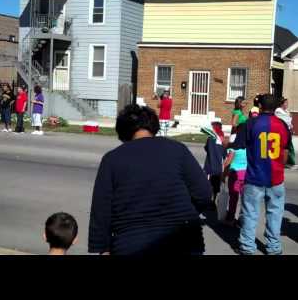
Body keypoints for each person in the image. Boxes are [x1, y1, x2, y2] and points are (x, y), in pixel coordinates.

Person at [89, 104, 213, 255]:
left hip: (131, 243)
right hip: (184, 242)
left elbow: (101, 210)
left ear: (123, 132)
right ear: (153, 126)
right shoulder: (177, 150)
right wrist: (184, 213)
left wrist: (103, 248)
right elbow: (204, 193)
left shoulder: (112, 159)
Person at [235, 93, 291, 255]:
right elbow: (285, 152)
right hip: (276, 177)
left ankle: (247, 246)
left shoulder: (251, 124)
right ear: (276, 108)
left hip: (254, 177)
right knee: (275, 214)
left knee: (250, 213)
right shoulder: (282, 125)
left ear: (260, 106)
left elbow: (239, 145)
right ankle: (273, 247)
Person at [223, 123, 248, 227]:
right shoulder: (249, 146)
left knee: (233, 197)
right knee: (245, 199)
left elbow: (228, 162)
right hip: (246, 174)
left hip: (235, 174)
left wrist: (223, 175)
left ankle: (230, 218)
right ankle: (243, 220)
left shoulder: (234, 146)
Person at [203, 121, 227, 203]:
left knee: (208, 184)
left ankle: (208, 200)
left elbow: (206, 149)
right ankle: (214, 200)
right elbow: (224, 154)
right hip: (218, 167)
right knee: (216, 185)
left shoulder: (210, 138)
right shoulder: (222, 139)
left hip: (209, 166)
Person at [275, 97, 298, 170]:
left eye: (287, 103)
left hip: (288, 130)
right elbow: (284, 120)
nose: (287, 104)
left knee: (289, 147)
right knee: (286, 148)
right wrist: (288, 117)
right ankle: (286, 163)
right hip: (283, 131)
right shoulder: (278, 110)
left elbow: (289, 120)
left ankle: (290, 163)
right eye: (286, 103)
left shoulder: (286, 111)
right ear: (282, 103)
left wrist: (291, 128)